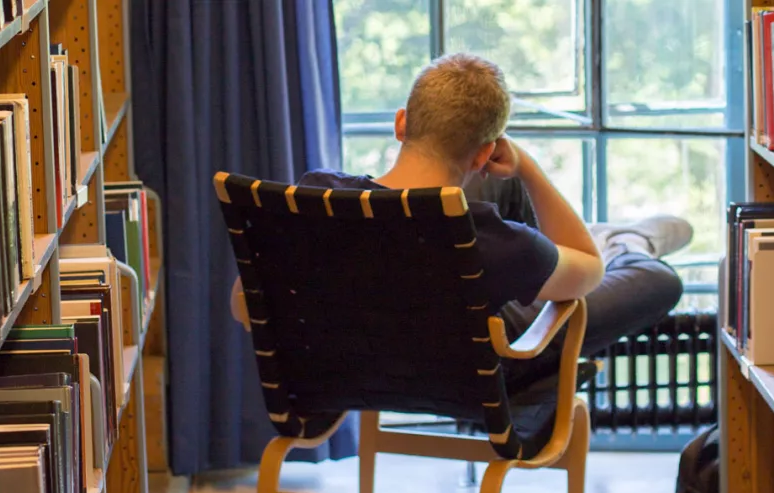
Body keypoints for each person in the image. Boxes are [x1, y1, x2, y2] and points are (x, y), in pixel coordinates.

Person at [231, 53, 691, 391]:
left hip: (371, 366)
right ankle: (625, 242)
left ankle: (557, 256)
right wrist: (526, 166)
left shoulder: (315, 197)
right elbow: (588, 274)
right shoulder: (487, 237)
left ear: (400, 124)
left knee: (500, 196)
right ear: (486, 153)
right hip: (484, 360)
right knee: (656, 280)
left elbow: (241, 305)